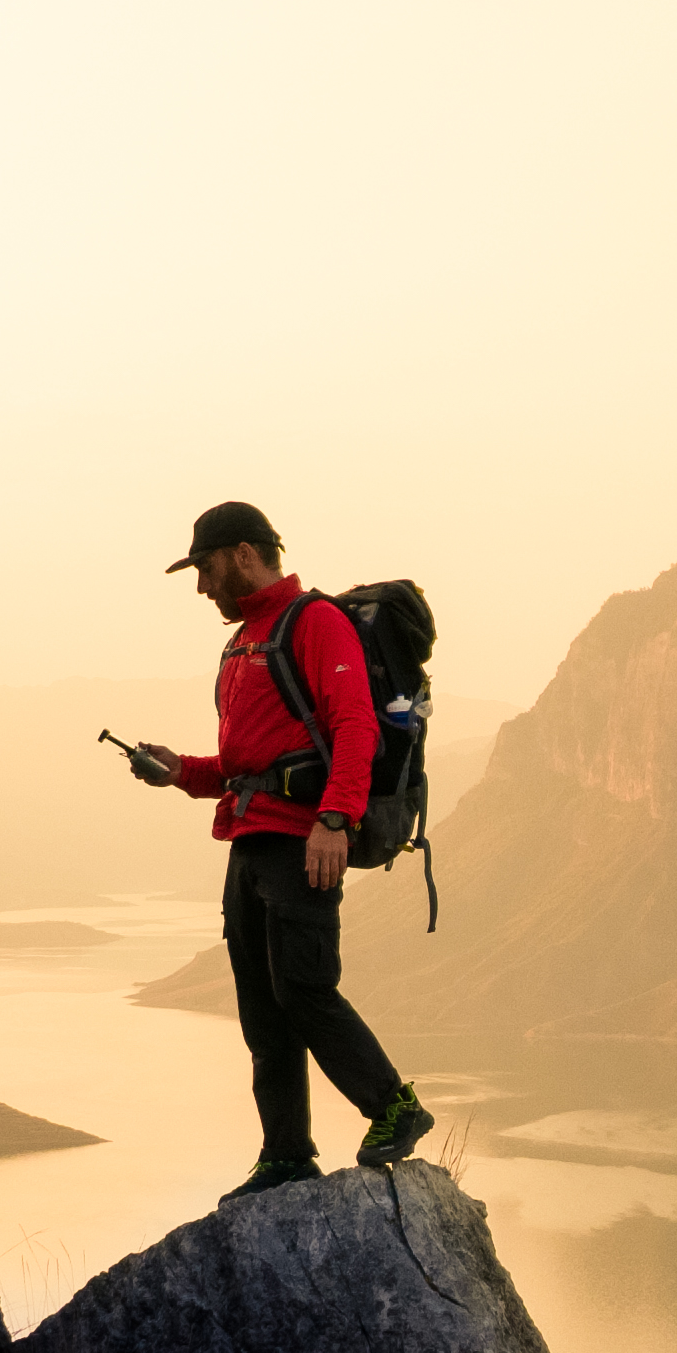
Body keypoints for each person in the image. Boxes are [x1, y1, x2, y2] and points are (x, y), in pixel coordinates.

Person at [116, 501, 436, 1198]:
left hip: (302, 842)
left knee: (304, 990)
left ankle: (394, 1107)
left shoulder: (313, 623)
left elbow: (355, 727)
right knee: (263, 1008)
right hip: (249, 839)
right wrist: (181, 772)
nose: (202, 587)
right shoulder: (243, 642)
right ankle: (287, 1154)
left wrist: (335, 820)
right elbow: (244, 764)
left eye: (204, 568)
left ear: (239, 554)